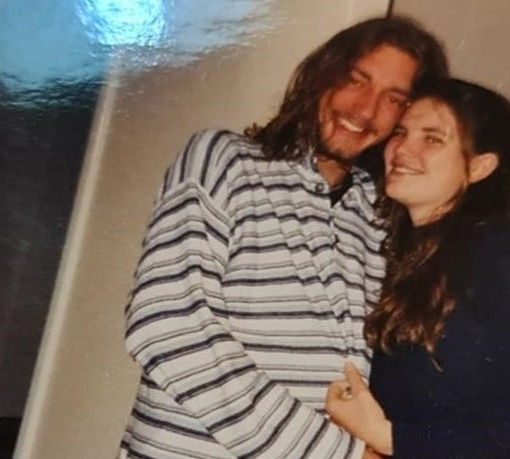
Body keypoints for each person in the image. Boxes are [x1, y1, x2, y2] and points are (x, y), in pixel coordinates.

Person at [118, 15, 448, 459]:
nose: (365, 110)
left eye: (392, 99)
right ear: (321, 75)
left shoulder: (380, 213)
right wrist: (337, 455)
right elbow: (168, 323)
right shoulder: (224, 159)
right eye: (356, 80)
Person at [325, 78, 510, 458]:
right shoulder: (402, 252)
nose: (402, 148)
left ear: (480, 166)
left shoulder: (508, 254)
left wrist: (393, 439)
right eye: (401, 132)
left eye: (432, 139)